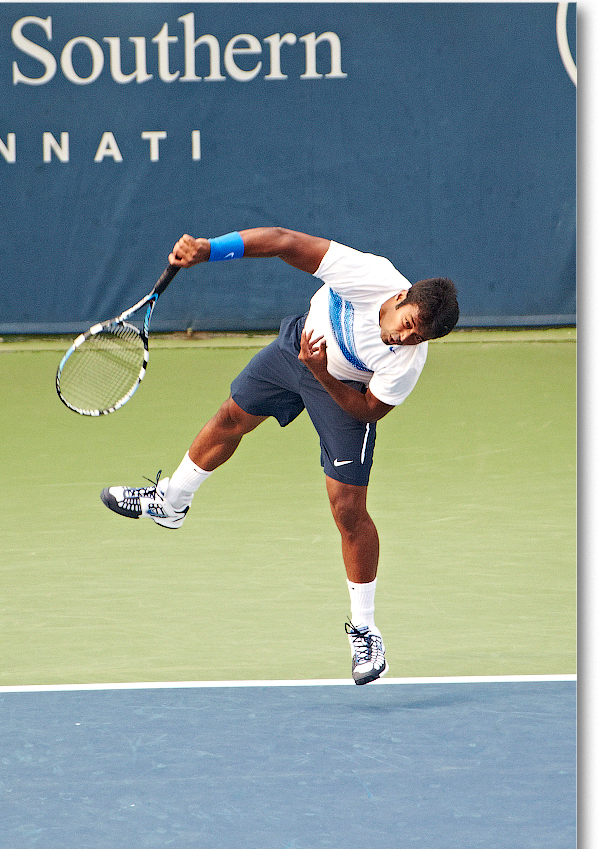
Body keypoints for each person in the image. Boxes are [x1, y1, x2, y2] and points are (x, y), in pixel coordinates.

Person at [101, 227, 459, 684]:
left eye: (417, 338)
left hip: (343, 388)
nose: (405, 339)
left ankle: (365, 630)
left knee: (348, 510)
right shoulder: (370, 276)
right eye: (408, 325)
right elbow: (283, 241)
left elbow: (368, 408)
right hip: (298, 350)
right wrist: (210, 251)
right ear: (401, 296)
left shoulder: (408, 360)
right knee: (230, 417)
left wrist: (323, 373)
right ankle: (172, 502)